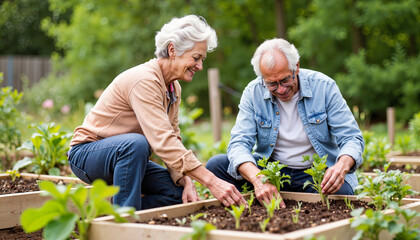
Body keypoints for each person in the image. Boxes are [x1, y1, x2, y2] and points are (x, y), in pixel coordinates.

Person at [68, 15, 246, 210]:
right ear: (172, 50)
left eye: (202, 59)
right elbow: (162, 140)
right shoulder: (144, 80)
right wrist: (212, 182)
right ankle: (124, 222)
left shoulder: (173, 87)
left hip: (127, 157)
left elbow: (173, 137)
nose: (200, 66)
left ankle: (111, 210)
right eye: (196, 58)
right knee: (136, 143)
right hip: (88, 154)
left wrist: (185, 179)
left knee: (179, 196)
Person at [206, 38, 364, 208]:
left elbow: (352, 138)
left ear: (296, 67)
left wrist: (341, 166)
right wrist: (258, 178)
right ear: (262, 78)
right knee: (216, 166)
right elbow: (239, 144)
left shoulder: (324, 87)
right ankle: (266, 193)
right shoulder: (253, 93)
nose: (281, 89)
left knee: (341, 194)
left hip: (316, 174)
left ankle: (282, 197)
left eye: (285, 80)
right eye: (272, 84)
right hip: (272, 172)